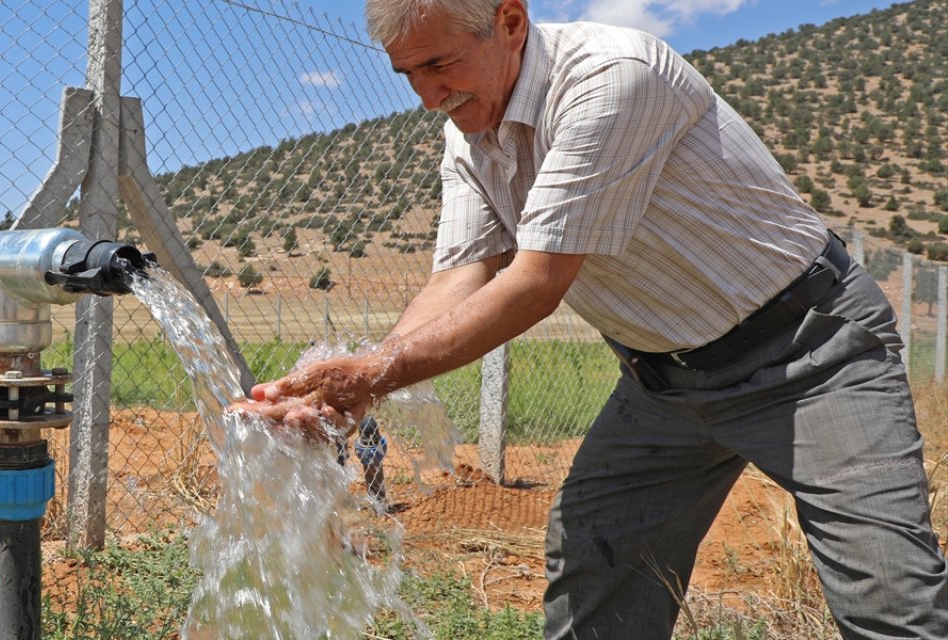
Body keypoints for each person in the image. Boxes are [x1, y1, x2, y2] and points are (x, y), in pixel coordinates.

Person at [238, 0, 948, 637]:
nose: (428, 95)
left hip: (809, 353)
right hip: (662, 383)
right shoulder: (470, 131)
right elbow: (463, 272)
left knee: (891, 601)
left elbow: (535, 282)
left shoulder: (613, 77)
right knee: (597, 579)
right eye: (408, 74)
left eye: (440, 64)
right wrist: (365, 374)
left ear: (511, 22)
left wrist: (373, 375)